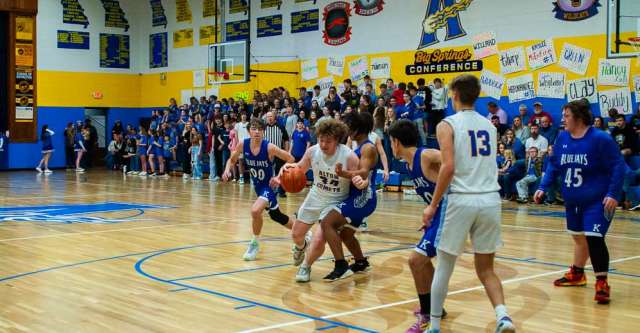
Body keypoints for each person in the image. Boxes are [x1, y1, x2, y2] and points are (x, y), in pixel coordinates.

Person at [424, 74, 515, 333]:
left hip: (462, 199)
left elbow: (448, 167)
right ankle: (503, 316)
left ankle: (434, 326)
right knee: (486, 269)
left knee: (444, 265)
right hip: (490, 200)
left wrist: (432, 205)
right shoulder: (489, 125)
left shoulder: (447, 124)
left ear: (453, 94)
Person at [534, 99, 626, 305]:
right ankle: (577, 273)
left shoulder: (601, 138)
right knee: (578, 237)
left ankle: (602, 282)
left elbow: (618, 167)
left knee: (594, 238)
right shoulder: (562, 138)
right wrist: (542, 187)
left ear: (579, 117)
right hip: (572, 200)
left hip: (597, 200)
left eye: (566, 116)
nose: (563, 119)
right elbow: (554, 166)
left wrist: (613, 194)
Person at [386, 120, 449, 332]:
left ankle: (427, 316)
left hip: (450, 212)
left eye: (391, 141)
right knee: (422, 262)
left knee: (415, 261)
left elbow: (454, 163)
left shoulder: (426, 155)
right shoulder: (409, 165)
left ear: (396, 142)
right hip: (438, 216)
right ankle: (436, 307)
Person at [280, 119, 358, 283]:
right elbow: (299, 168)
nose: (323, 144)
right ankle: (301, 246)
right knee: (296, 234)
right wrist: (286, 168)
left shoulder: (349, 156)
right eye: (321, 140)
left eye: (328, 141)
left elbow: (359, 181)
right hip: (316, 195)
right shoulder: (312, 151)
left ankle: (306, 266)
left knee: (319, 238)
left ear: (337, 140)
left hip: (335, 202)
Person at [223, 118, 297, 260]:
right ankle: (303, 233)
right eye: (254, 129)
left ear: (263, 131)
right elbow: (231, 160)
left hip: (269, 187)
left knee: (255, 210)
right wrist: (227, 170)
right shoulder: (242, 145)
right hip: (257, 187)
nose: (257, 132)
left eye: (260, 129)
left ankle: (254, 243)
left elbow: (291, 159)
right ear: (249, 130)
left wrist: (279, 177)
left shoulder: (269, 147)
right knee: (277, 216)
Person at [321, 112, 378, 282]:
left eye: (348, 125)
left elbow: (364, 172)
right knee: (346, 235)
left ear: (357, 129)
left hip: (363, 197)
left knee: (327, 223)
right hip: (357, 196)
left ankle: (341, 265)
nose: (345, 129)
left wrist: (343, 173)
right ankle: (361, 262)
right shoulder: (356, 146)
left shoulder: (368, 147)